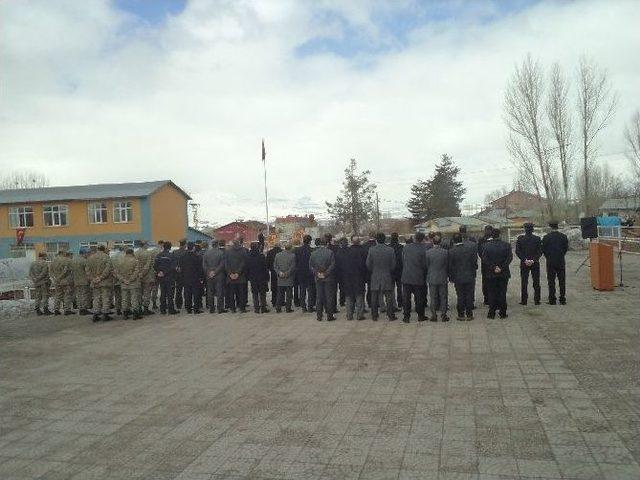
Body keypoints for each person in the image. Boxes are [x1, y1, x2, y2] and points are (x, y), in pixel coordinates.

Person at [481, 227, 513, 319]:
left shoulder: (486, 246)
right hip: (503, 273)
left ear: (491, 235)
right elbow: (509, 258)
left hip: (491, 273)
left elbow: (485, 259)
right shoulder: (506, 245)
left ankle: (491, 313)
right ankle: (503, 313)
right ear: (500, 235)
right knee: (502, 293)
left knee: (491, 293)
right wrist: (501, 267)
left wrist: (494, 267)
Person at [366, 232, 397, 321]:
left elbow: (368, 264)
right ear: (385, 240)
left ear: (376, 240)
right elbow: (393, 265)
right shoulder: (390, 250)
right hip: (387, 275)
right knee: (389, 297)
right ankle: (391, 315)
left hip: (375, 275)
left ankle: (374, 315)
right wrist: (388, 270)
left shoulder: (371, 250)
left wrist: (374, 270)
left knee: (374, 297)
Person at [448, 233, 478, 321]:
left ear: (453, 241)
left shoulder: (451, 251)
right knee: (469, 295)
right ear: (462, 239)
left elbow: (450, 266)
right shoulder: (469, 249)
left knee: (460, 295)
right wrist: (473, 272)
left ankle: (461, 314)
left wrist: (451, 277)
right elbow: (474, 262)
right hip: (469, 276)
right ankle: (469, 314)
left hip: (458, 277)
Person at [401, 231, 427, 323]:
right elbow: (424, 264)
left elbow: (403, 260)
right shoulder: (424, 249)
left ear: (415, 238)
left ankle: (406, 317)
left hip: (406, 276)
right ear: (423, 239)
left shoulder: (406, 247)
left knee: (406, 298)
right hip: (418, 277)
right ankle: (420, 316)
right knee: (419, 298)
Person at [542, 220, 569, 305]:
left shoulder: (546, 237)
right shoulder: (564, 236)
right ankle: (562, 299)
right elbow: (565, 249)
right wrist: (561, 255)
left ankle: (552, 300)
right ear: (557, 227)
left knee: (551, 281)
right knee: (562, 280)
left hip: (550, 261)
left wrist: (548, 257)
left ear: (550, 227)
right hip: (561, 261)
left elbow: (544, 250)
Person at [309, 237, 336, 321]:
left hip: (318, 278)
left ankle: (319, 316)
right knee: (329, 297)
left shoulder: (313, 253)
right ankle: (329, 316)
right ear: (327, 244)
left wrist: (317, 273)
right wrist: (325, 273)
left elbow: (310, 266)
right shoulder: (330, 252)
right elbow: (332, 265)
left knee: (319, 297)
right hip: (327, 278)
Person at [516, 223, 542, 305]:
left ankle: (524, 301)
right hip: (535, 263)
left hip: (524, 263)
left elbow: (517, 251)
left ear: (525, 229)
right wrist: (533, 260)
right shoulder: (537, 239)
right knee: (536, 282)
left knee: (524, 282)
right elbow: (540, 251)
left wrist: (525, 259)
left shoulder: (520, 239)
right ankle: (537, 300)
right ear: (532, 230)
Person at [425, 235, 449, 322]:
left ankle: (434, 315)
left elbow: (427, 265)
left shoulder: (428, 252)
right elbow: (447, 264)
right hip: (442, 276)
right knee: (443, 297)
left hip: (432, 277)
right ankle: (443, 315)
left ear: (432, 242)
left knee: (433, 297)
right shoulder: (445, 252)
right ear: (440, 242)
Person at [342, 235, 367, 320]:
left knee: (349, 296)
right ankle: (359, 315)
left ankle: (349, 315)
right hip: (359, 277)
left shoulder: (346, 251)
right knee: (359, 295)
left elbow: (343, 265)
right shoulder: (363, 251)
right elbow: (365, 265)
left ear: (351, 241)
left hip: (348, 277)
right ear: (359, 241)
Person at [86, 245, 114, 322]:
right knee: (105, 297)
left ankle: (95, 314)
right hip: (104, 281)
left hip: (94, 282)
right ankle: (105, 314)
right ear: (104, 249)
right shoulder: (106, 257)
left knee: (96, 298)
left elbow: (87, 270)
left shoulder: (90, 258)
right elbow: (108, 269)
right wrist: (101, 277)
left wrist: (93, 279)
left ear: (97, 249)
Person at [114, 248, 141, 320]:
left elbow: (117, 273)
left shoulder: (120, 261)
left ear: (126, 253)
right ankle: (135, 314)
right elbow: (136, 272)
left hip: (124, 283)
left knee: (124, 298)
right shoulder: (135, 261)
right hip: (133, 283)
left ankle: (125, 314)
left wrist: (124, 280)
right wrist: (130, 280)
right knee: (134, 298)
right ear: (132, 253)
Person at [180, 242, 205, 314]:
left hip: (186, 277)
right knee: (196, 293)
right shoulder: (196, 256)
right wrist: (201, 277)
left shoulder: (183, 256)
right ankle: (196, 309)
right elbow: (199, 268)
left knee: (187, 293)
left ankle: (188, 309)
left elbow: (181, 267)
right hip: (195, 278)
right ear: (193, 247)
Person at [154, 241, 178, 315]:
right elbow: (173, 267)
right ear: (170, 247)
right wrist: (164, 272)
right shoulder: (171, 256)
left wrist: (159, 272)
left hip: (161, 278)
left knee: (163, 293)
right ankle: (171, 310)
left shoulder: (158, 255)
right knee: (170, 294)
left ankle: (163, 309)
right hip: (169, 277)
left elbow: (155, 266)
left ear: (163, 247)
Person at [225, 239, 248, 313]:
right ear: (239, 244)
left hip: (230, 277)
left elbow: (226, 264)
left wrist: (230, 273)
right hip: (241, 276)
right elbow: (244, 263)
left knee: (231, 293)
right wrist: (238, 273)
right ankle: (242, 308)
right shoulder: (243, 251)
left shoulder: (228, 252)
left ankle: (232, 308)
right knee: (241, 293)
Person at [203, 239, 226, 313]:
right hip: (219, 275)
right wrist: (215, 272)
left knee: (210, 292)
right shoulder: (221, 253)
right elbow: (222, 264)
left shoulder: (206, 253)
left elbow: (204, 264)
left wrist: (209, 272)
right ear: (217, 244)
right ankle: (220, 308)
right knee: (219, 292)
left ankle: (211, 308)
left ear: (212, 244)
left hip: (209, 275)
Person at [246, 241, 270, 313]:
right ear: (257, 247)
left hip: (253, 278)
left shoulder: (248, 256)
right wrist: (267, 277)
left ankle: (256, 308)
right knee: (262, 293)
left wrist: (248, 277)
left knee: (255, 293)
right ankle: (263, 308)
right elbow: (265, 268)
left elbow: (247, 268)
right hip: (262, 277)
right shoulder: (261, 256)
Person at [49, 250, 74, 315]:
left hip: (57, 281)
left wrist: (55, 278)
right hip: (66, 280)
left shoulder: (53, 260)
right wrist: (60, 277)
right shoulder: (67, 260)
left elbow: (50, 271)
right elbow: (67, 270)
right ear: (63, 253)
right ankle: (67, 310)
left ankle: (56, 310)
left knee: (58, 295)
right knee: (67, 295)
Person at [295, 235, 315, 312]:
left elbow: (295, 262)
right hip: (310, 273)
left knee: (302, 291)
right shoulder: (312, 250)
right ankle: (310, 307)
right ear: (310, 241)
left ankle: (303, 307)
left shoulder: (297, 250)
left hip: (300, 273)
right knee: (310, 291)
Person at [274, 243, 296, 313]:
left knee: (280, 294)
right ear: (291, 248)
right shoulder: (293, 256)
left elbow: (275, 266)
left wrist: (279, 272)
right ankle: (288, 308)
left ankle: (278, 308)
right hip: (289, 278)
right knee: (289, 294)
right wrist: (287, 273)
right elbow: (293, 267)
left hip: (280, 278)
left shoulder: (278, 255)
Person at [477, 225, 493, 305]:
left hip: (490, 263)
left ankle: (491, 298)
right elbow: (479, 252)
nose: (487, 232)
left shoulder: (493, 239)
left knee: (492, 281)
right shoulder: (481, 240)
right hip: (485, 264)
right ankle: (486, 298)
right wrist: (484, 259)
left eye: (488, 230)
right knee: (486, 281)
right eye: (486, 230)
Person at [71, 249, 91, 315]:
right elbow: (87, 272)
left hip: (76, 281)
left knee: (78, 295)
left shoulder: (73, 260)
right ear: (83, 253)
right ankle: (84, 309)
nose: (87, 255)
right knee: (84, 295)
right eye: (86, 253)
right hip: (84, 281)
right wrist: (90, 279)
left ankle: (80, 308)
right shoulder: (84, 261)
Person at [389, 232, 404, 312]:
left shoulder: (388, 247)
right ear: (397, 238)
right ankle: (400, 302)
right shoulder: (401, 247)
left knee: (391, 288)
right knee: (399, 287)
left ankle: (392, 303)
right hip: (399, 270)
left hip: (391, 271)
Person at [266, 243, 282, 308]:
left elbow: (267, 262)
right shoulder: (281, 251)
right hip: (281, 271)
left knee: (274, 287)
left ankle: (274, 301)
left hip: (273, 272)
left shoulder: (270, 252)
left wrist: (270, 269)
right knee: (280, 287)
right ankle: (281, 301)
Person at [173, 239, 187, 311]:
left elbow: (172, 262)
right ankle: (187, 303)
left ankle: (178, 304)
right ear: (185, 245)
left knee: (178, 289)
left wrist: (176, 268)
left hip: (177, 273)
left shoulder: (175, 252)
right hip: (185, 273)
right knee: (186, 290)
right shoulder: (186, 252)